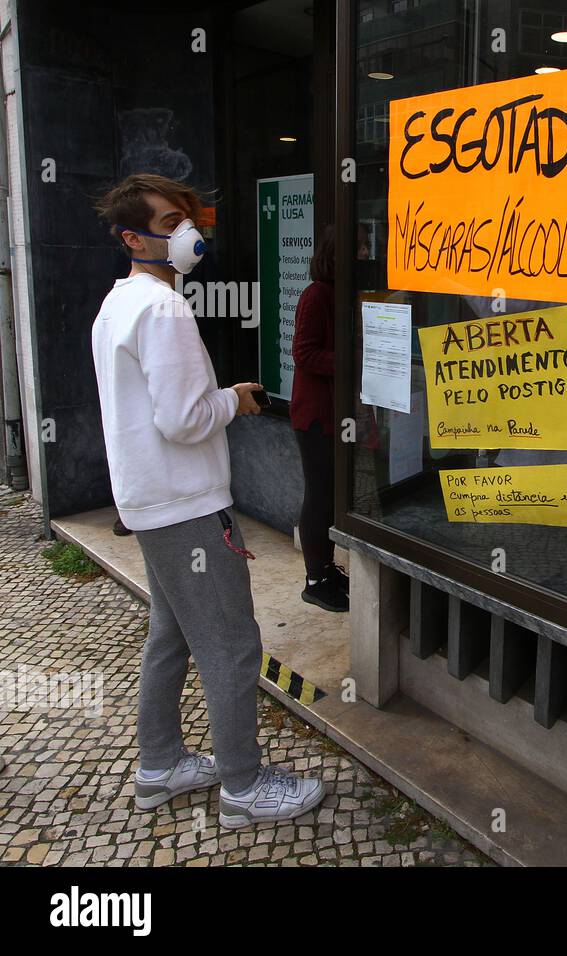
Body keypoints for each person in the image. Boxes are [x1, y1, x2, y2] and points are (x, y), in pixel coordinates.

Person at [90, 173, 324, 828]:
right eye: (168, 224)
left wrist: (214, 398)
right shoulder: (163, 309)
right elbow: (184, 419)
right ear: (132, 238)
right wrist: (234, 400)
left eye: (187, 218)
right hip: (185, 504)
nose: (186, 233)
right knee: (230, 644)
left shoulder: (118, 303)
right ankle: (244, 789)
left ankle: (159, 765)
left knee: (171, 633)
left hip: (150, 502)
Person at [290, 226, 348, 611]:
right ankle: (315, 579)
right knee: (320, 494)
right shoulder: (316, 295)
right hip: (315, 414)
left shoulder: (339, 294)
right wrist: (352, 360)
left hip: (334, 410)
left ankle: (326, 568)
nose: (365, 251)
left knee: (330, 494)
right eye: (357, 245)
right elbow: (304, 353)